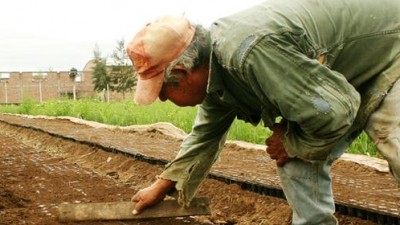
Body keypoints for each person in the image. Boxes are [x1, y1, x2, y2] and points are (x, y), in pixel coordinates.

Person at [126, 0, 400, 224]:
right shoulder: (214, 71)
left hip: (390, 48)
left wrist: (291, 142)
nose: (163, 99)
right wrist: (163, 185)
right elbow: (204, 136)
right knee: (294, 160)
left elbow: (335, 112)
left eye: (162, 91)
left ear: (184, 73)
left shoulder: (248, 54)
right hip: (340, 74)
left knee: (393, 138)